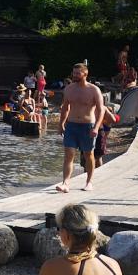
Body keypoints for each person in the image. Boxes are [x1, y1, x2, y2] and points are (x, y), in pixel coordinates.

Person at [55, 63, 105, 194]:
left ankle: (89, 182)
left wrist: (96, 127)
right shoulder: (69, 89)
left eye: (77, 73)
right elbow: (66, 108)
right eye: (74, 73)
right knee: (69, 155)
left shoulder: (94, 90)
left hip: (87, 126)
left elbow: (101, 110)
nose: (75, 75)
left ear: (85, 74)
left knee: (89, 155)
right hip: (71, 126)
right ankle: (65, 183)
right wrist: (61, 124)